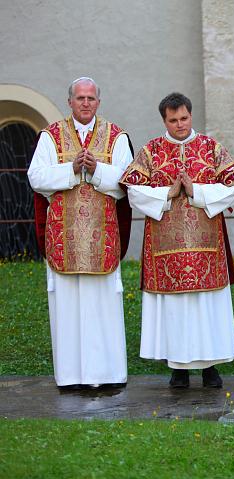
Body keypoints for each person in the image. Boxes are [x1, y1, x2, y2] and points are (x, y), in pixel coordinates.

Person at [121, 92, 234, 388]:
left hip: (206, 247)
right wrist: (168, 194)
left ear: (191, 115)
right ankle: (179, 369)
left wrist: (197, 191)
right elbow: (132, 190)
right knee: (174, 310)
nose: (180, 125)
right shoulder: (151, 152)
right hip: (167, 249)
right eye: (173, 120)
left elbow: (232, 186)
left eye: (184, 118)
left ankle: (211, 367)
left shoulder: (211, 148)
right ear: (164, 120)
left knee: (207, 306)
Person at [28, 77, 132, 390]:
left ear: (98, 102)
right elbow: (36, 176)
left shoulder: (115, 136)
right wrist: (71, 169)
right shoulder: (51, 136)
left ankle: (108, 375)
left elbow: (127, 179)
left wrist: (97, 170)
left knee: (102, 306)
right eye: (79, 98)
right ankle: (71, 377)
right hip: (65, 235)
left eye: (90, 98)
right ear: (70, 102)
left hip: (102, 235)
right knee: (68, 307)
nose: (85, 103)